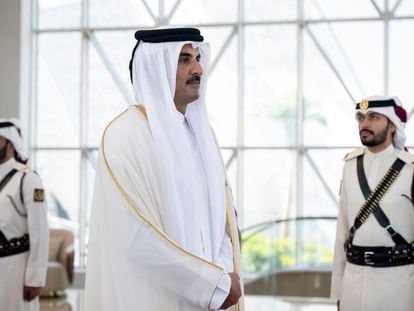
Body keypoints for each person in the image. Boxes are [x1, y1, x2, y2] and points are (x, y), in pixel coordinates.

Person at [84, 27, 243, 311]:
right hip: (156, 298)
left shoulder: (200, 134)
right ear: (155, 68)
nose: (198, 69)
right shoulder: (126, 136)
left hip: (213, 297)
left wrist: (221, 276)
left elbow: (223, 223)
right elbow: (138, 236)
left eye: (197, 58)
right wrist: (211, 285)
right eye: (184, 60)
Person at [331, 95, 414, 311]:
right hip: (353, 283)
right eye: (361, 118)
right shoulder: (350, 166)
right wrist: (337, 293)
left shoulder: (410, 170)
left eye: (374, 117)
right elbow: (342, 231)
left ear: (393, 126)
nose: (365, 124)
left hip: (398, 286)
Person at [0, 118, 49, 311]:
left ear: (11, 145)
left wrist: (34, 278)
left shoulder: (28, 179)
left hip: (15, 268)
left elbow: (40, 232)